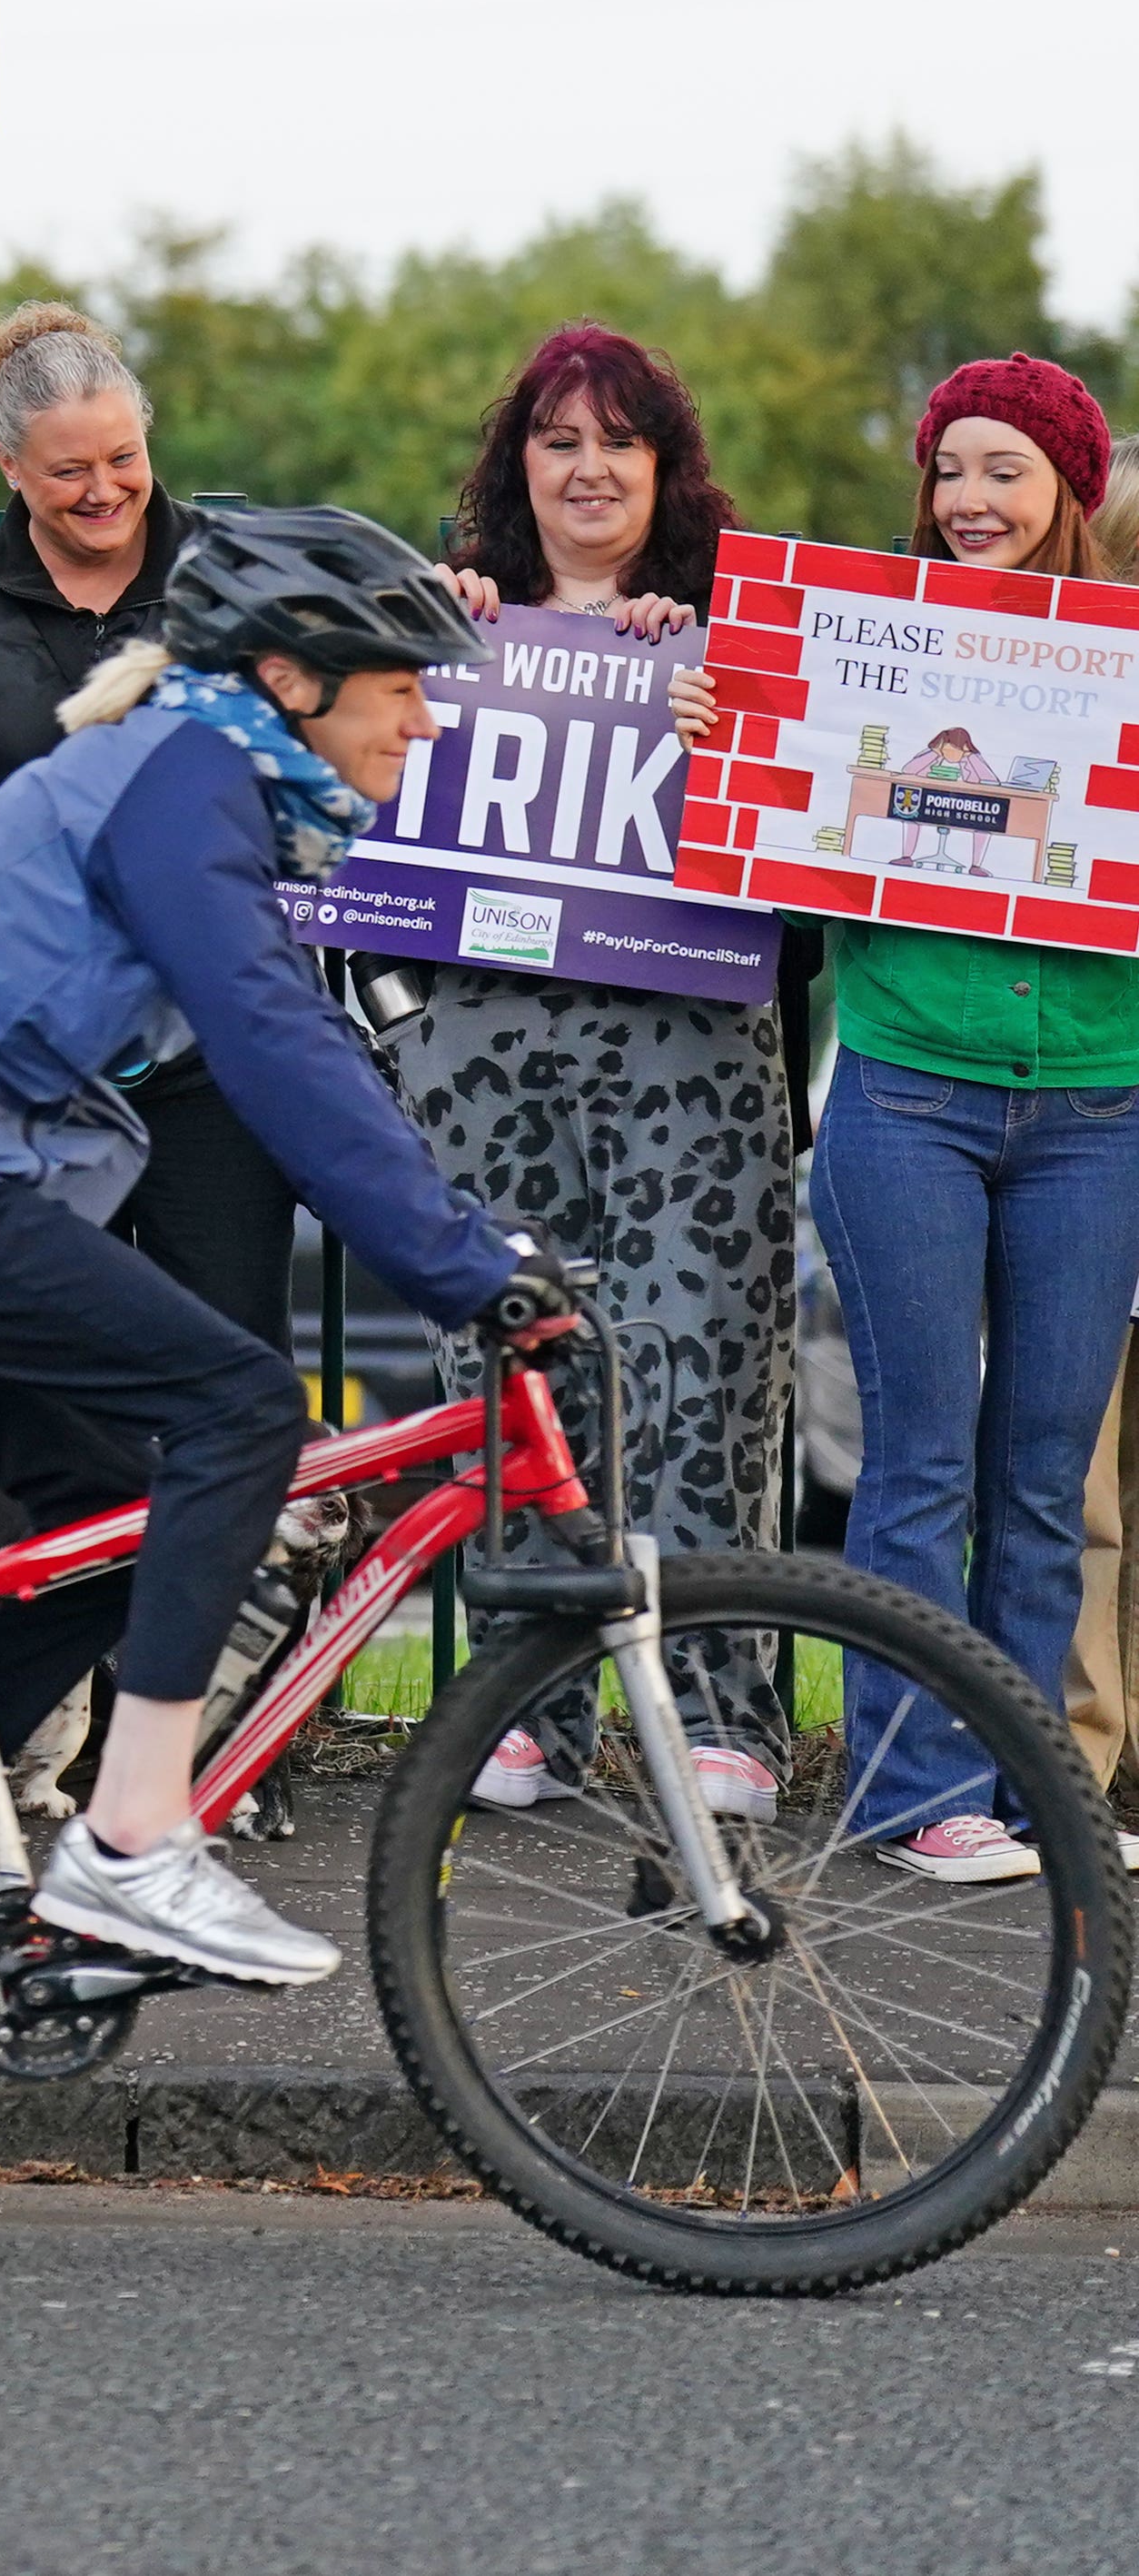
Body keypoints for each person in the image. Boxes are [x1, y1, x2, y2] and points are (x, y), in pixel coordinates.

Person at [0, 506, 553, 1985]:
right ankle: (128, 1845)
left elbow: (296, 1031)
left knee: (112, 1509)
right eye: (403, 686)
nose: (426, 721)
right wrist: (457, 1265)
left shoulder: (193, 773)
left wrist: (451, 1227)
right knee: (237, 1413)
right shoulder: (183, 787)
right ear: (295, 677)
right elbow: (271, 1049)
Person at [678, 355, 1139, 1878]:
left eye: (1003, 471)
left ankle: (1029, 1794)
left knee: (1041, 1473)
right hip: (906, 1095)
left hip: (1095, 1105)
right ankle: (905, 1790)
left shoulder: (1123, 662)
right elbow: (759, 822)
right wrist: (715, 719)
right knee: (921, 1460)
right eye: (948, 471)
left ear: (1070, 490)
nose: (967, 501)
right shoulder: (859, 647)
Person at [396, 325, 794, 1818]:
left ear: (659, 468)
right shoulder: (446, 619)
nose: (584, 468)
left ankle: (721, 1713)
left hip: (686, 1051)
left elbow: (812, 830)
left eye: (614, 442)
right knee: (516, 1372)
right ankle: (528, 1707)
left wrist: (729, 721)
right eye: (555, 440)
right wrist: (431, 642)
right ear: (516, 467)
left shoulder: (731, 628)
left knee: (700, 1371)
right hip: (484, 1044)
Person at [0, 307, 295, 1354]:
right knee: (48, 1378)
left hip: (213, 1060)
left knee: (228, 1374)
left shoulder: (246, 590)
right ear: (6, 465)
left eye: (123, 458)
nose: (103, 491)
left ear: (148, 435)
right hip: (17, 1069)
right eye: (65, 471)